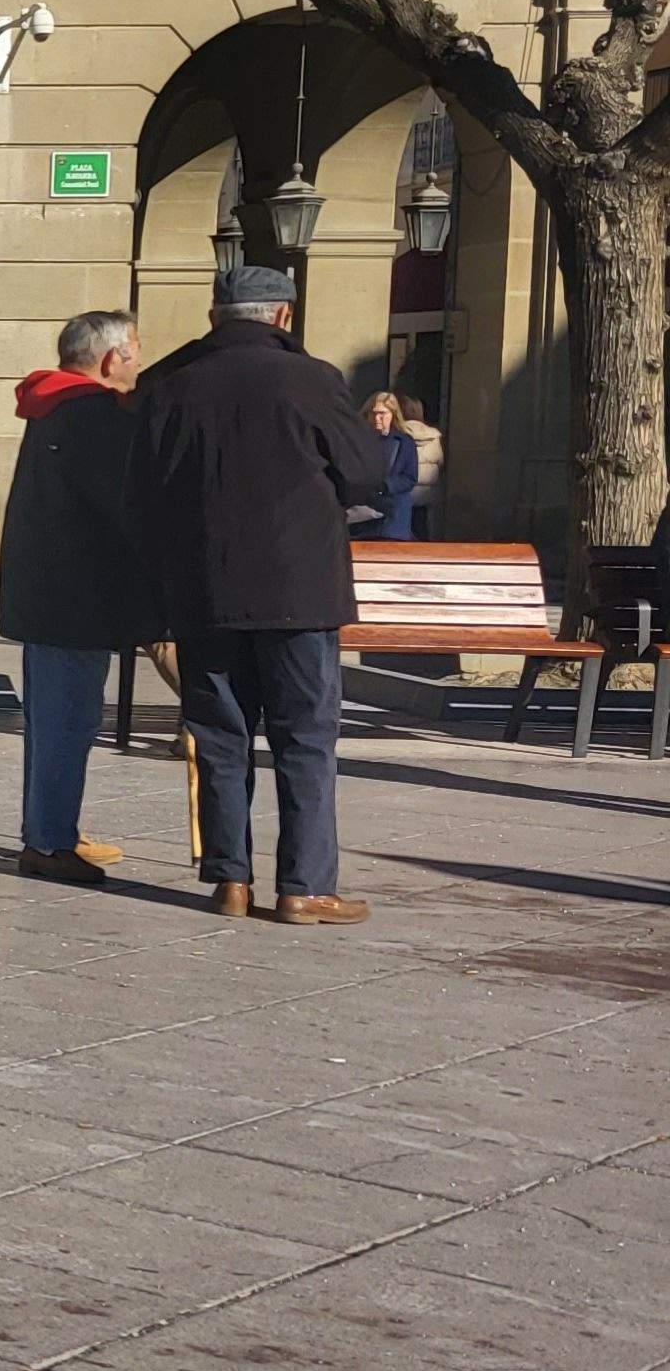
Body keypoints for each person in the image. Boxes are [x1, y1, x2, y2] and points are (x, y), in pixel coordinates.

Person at [132, 264, 386, 926]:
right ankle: (304, 886)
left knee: (221, 736)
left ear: (214, 316)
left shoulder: (168, 384)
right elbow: (366, 472)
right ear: (283, 315)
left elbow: (140, 495)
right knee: (306, 737)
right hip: (299, 589)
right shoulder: (311, 379)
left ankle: (229, 881)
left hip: (203, 589)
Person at [0, 310, 157, 887]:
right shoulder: (94, 413)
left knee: (51, 720)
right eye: (135, 350)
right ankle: (50, 841)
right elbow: (125, 504)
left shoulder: (52, 404)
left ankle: (50, 825)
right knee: (68, 721)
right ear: (112, 358)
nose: (138, 361)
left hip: (47, 592)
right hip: (77, 595)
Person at [354, 392, 421, 541]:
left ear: (393, 415)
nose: (377, 418)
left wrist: (385, 485)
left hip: (392, 520)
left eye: (382, 413)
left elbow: (410, 478)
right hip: (361, 519)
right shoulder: (359, 441)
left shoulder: (404, 442)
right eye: (373, 413)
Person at [398, 394, 444, 536]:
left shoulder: (398, 433)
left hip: (403, 494)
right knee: (422, 531)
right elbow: (440, 462)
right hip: (426, 495)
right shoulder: (433, 436)